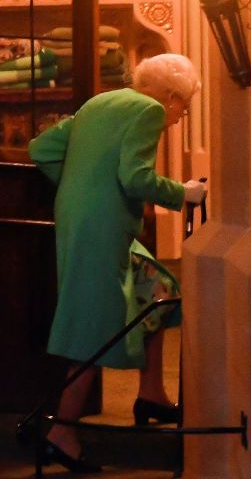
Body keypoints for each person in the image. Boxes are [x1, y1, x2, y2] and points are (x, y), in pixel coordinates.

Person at [28, 53, 207, 474]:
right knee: (92, 323)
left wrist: (81, 185)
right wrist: (184, 193)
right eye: (183, 104)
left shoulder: (100, 102)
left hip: (81, 219)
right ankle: (62, 434)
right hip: (101, 227)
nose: (181, 115)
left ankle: (151, 395)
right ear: (168, 95)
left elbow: (43, 149)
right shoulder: (147, 110)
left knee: (159, 288)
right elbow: (134, 177)